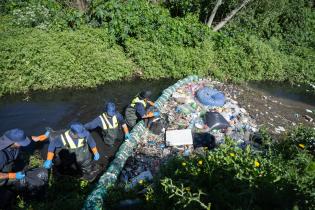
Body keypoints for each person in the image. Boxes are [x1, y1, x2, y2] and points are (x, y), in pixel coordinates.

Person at [34, 123, 100, 182]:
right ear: (72, 133)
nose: (83, 136)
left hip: (85, 157)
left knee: (88, 169)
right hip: (70, 156)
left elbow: (91, 143)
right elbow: (52, 145)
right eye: (80, 135)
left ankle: (89, 179)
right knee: (66, 168)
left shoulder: (85, 133)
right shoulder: (61, 138)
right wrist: (49, 159)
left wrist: (95, 152)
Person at [0, 129, 47, 208]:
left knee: (38, 172)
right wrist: (13, 175)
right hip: (3, 176)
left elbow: (29, 138)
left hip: (11, 165)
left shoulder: (9, 137)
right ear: (13, 142)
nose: (22, 145)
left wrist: (42, 137)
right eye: (21, 143)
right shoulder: (2, 155)